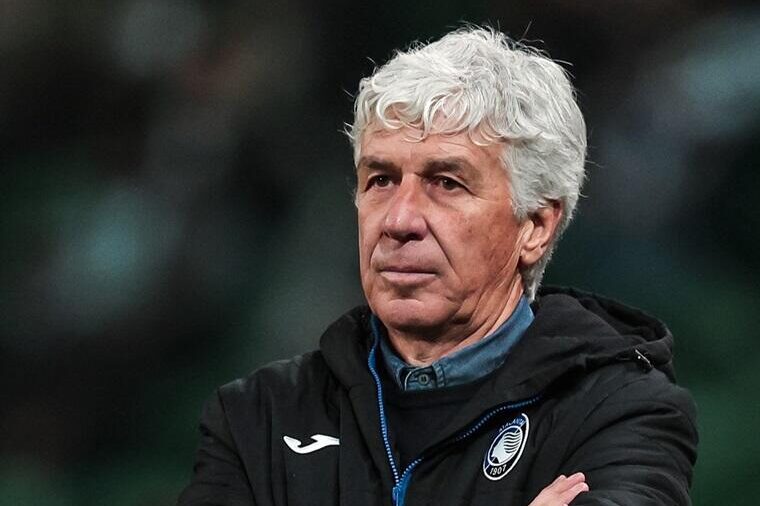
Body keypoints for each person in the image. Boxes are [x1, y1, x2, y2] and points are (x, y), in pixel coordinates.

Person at [178, 26, 698, 506]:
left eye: (447, 183)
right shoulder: (258, 417)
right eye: (380, 180)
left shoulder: (619, 412)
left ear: (536, 226)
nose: (399, 220)